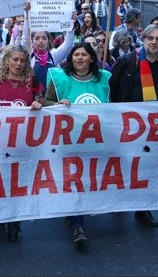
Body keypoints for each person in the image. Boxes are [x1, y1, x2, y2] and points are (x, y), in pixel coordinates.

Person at [109, 24, 158, 229]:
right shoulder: (128, 61)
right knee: (125, 165)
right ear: (143, 38)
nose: (154, 42)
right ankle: (119, 201)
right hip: (129, 127)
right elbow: (112, 88)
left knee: (149, 167)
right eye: (151, 37)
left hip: (156, 128)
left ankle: (144, 208)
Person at [45, 41, 112, 246]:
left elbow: (115, 107)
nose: (80, 58)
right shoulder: (58, 79)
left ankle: (75, 211)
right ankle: (77, 225)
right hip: (68, 141)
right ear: (70, 58)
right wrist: (57, 104)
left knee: (89, 181)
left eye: (84, 55)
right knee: (73, 180)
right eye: (76, 55)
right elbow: (46, 101)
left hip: (96, 141)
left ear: (92, 58)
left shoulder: (105, 79)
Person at [0, 44, 44, 241]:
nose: (18, 64)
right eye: (15, 60)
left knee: (18, 180)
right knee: (0, 180)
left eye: (22, 60)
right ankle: (0, 213)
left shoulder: (33, 81)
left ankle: (15, 219)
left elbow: (42, 101)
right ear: (7, 60)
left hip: (23, 141)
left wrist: (39, 104)